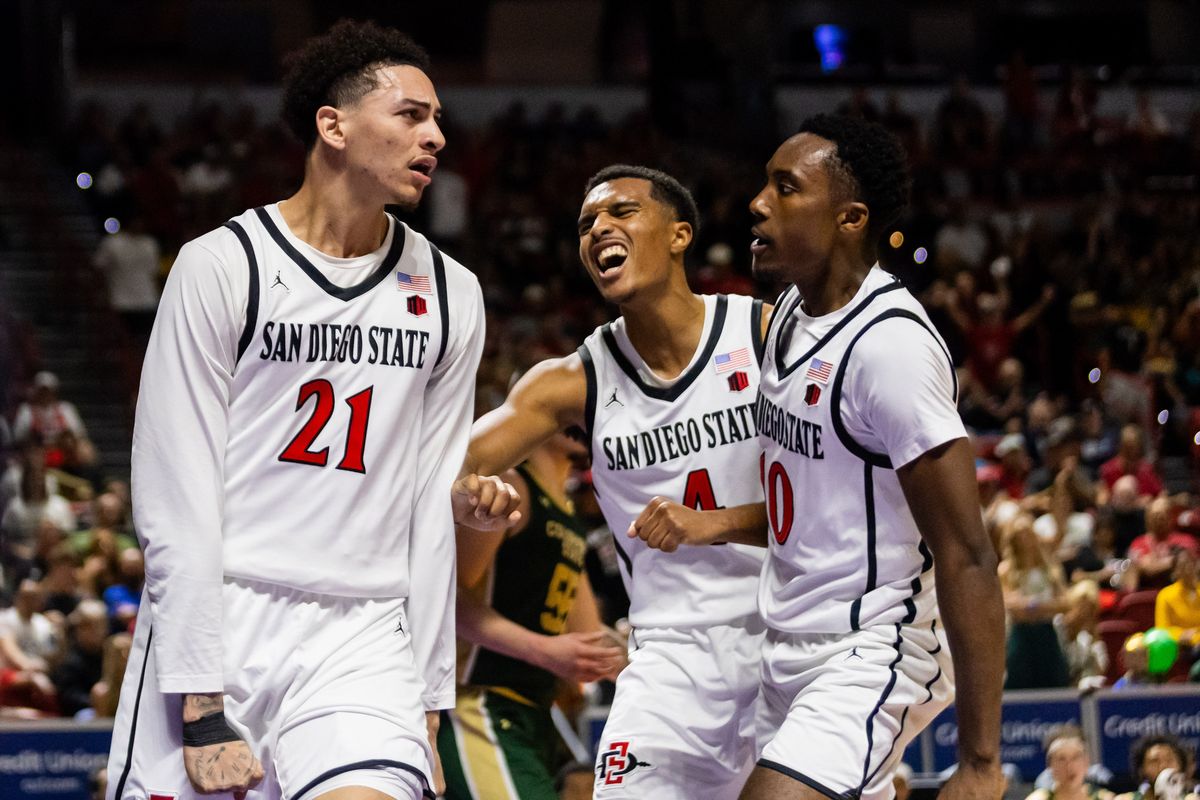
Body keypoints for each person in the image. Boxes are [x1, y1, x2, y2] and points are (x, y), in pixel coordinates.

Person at [106, 20, 512, 800]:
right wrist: (200, 700)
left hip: (362, 633)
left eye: (439, 121)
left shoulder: (452, 294)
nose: (436, 137)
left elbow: (429, 507)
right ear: (334, 125)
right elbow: (175, 489)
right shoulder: (222, 265)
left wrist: (430, 703)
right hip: (222, 612)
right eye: (411, 115)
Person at [462, 164, 769, 798]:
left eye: (621, 212)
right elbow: (443, 466)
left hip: (787, 631)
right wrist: (469, 494)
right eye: (585, 225)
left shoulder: (764, 333)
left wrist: (715, 523)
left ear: (680, 234)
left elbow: (844, 496)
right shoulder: (570, 381)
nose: (598, 226)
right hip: (669, 655)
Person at [737, 114, 1005, 800]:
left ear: (850, 218)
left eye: (785, 188)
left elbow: (968, 552)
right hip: (785, 645)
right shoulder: (789, 316)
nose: (758, 203)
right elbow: (806, 504)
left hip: (872, 649)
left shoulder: (890, 347)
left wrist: (979, 762)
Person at [438, 432, 625, 799]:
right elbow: (450, 601)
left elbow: (589, 636)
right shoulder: (511, 485)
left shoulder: (566, 511)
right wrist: (544, 650)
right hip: (480, 704)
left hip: (535, 714)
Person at [1027, 726, 1113, 800]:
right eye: (1061, 759)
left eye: (1075, 757)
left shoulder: (1104, 798)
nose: (1069, 766)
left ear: (1086, 762)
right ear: (1050, 766)